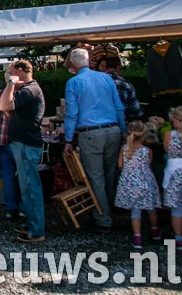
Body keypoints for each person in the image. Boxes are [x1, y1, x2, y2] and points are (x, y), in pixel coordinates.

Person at [64, 48, 126, 232]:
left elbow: (71, 113)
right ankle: (112, 211)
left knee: (95, 178)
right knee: (109, 174)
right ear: (89, 60)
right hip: (112, 129)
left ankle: (103, 218)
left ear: (73, 65)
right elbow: (118, 106)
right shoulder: (106, 78)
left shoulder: (73, 82)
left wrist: (68, 139)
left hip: (90, 133)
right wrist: (122, 130)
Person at [0, 60, 46, 243]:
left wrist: (10, 83)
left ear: (19, 70)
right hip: (22, 143)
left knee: (30, 188)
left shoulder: (28, 90)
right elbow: (8, 109)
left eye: (11, 71)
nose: (9, 74)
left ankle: (37, 230)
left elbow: (4, 106)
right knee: (26, 188)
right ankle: (32, 223)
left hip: (26, 144)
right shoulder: (28, 90)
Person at [114, 121, 162, 249]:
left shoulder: (124, 149)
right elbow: (149, 166)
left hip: (130, 183)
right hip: (146, 181)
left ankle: (137, 237)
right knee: (151, 208)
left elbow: (119, 165)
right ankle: (155, 231)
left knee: (135, 211)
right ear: (144, 136)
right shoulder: (147, 151)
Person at [0, 69, 24, 221]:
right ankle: (23, 208)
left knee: (7, 175)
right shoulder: (19, 94)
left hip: (0, 139)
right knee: (23, 175)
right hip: (16, 139)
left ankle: (10, 208)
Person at [163, 106, 182, 252]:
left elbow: (166, 151)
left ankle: (179, 239)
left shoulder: (169, 135)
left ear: (175, 121)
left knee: (176, 210)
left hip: (175, 174)